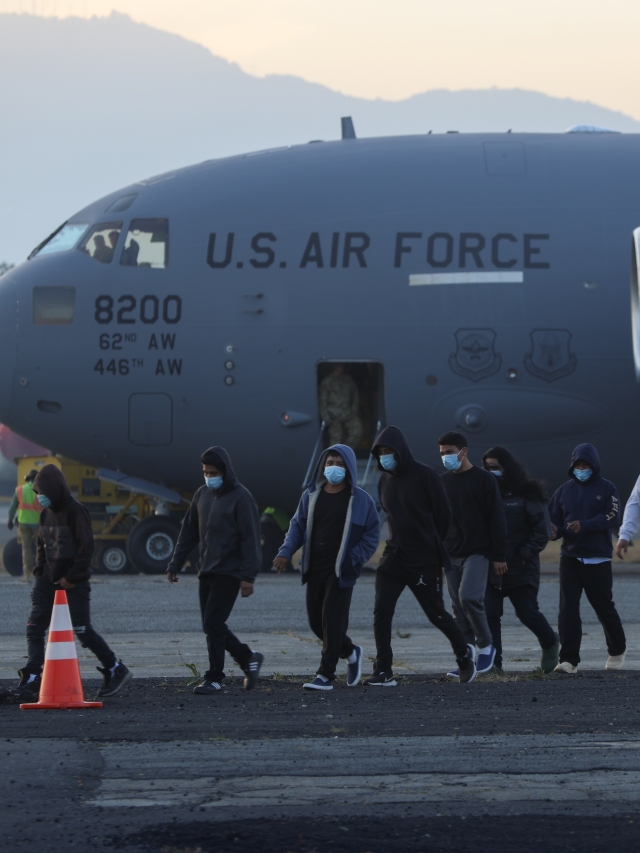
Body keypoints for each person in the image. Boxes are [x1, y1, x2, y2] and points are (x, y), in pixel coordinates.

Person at [9, 464, 131, 700]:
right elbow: (42, 546)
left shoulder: (76, 511)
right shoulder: (45, 513)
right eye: (37, 493)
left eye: (42, 492)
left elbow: (87, 548)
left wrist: (72, 577)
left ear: (54, 489)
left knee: (83, 631)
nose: (39, 497)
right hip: (46, 581)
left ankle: (115, 668)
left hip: (74, 583)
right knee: (34, 628)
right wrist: (39, 573)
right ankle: (33, 678)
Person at [366, 426, 476, 686]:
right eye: (380, 452)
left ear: (400, 451)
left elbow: (443, 514)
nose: (385, 456)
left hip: (423, 560)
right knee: (382, 612)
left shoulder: (425, 475)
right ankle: (384, 669)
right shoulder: (383, 480)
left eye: (389, 451)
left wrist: (430, 543)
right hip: (394, 556)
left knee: (436, 614)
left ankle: (464, 657)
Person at [273, 443, 379, 691]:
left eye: (340, 464)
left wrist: (355, 557)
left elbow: (372, 534)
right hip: (315, 567)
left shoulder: (361, 500)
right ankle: (351, 651)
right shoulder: (311, 496)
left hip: (342, 571)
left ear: (349, 468)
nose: (334, 468)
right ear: (322, 466)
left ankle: (325, 675)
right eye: (330, 463)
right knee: (316, 622)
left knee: (332, 620)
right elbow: (297, 527)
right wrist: (286, 552)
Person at [166, 446, 264, 694]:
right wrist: (175, 562)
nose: (209, 476)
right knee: (212, 625)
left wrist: (247, 576)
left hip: (229, 572)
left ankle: (215, 677)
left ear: (226, 471)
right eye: (205, 472)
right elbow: (188, 531)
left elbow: (250, 539)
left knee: (213, 621)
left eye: (213, 472)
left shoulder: (241, 498)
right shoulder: (202, 495)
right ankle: (247, 658)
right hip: (207, 570)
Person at [481, 446, 559, 674]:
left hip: (522, 565)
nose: (490, 472)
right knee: (490, 614)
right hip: (491, 566)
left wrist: (524, 556)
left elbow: (542, 530)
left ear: (507, 467)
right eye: (486, 468)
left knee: (527, 613)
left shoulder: (528, 493)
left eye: (494, 467)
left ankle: (550, 641)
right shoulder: (485, 495)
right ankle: (495, 665)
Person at [549, 443, 626, 673]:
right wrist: (555, 531)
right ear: (572, 467)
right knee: (568, 609)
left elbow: (612, 517)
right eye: (578, 465)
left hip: (598, 559)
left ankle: (617, 650)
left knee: (603, 607)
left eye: (586, 465)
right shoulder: (563, 491)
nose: (582, 469)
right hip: (570, 558)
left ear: (594, 465)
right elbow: (554, 520)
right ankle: (569, 659)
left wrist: (585, 525)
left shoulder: (608, 488)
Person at [438, 431, 508, 675]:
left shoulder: (484, 480)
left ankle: (486, 644)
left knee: (469, 597)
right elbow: (438, 521)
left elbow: (497, 519)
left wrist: (499, 555)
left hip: (478, 552)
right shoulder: (442, 482)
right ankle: (466, 659)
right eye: (442, 453)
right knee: (457, 608)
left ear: (463, 451)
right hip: (450, 554)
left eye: (449, 452)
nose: (445, 457)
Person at [7, 468, 41, 582]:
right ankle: (40, 573)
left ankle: (27, 575)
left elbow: (13, 506)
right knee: (40, 548)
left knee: (26, 548)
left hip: (23, 523)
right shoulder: (41, 490)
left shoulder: (20, 490)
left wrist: (10, 520)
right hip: (38, 523)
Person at [318, 363, 363, 448]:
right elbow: (322, 402)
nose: (341, 367)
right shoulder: (327, 382)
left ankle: (344, 451)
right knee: (335, 439)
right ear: (334, 366)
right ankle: (334, 458)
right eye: (339, 365)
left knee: (357, 431)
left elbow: (355, 394)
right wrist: (326, 418)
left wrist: (354, 409)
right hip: (334, 415)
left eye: (342, 365)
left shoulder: (348, 379)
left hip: (347, 413)